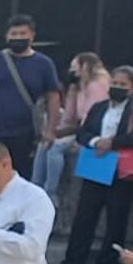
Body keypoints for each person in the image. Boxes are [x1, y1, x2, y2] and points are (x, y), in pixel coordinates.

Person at [59, 66, 133, 264]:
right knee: (84, 216)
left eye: (123, 85)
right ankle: (73, 262)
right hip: (96, 165)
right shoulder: (99, 107)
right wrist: (96, 142)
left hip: (121, 169)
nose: (117, 88)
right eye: (115, 83)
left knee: (116, 218)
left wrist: (112, 143)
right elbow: (83, 133)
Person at [0, 14, 61, 181]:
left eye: (22, 34)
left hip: (23, 134)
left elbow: (53, 97)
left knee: (17, 180)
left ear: (32, 36)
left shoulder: (44, 64)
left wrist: (50, 130)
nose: (18, 38)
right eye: (13, 34)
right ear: (6, 36)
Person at [35, 52, 110, 201]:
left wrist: (66, 132)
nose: (72, 71)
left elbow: (91, 118)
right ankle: (36, 186)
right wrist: (72, 92)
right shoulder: (80, 88)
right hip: (79, 129)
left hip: (92, 133)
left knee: (56, 148)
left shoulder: (97, 86)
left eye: (74, 67)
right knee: (45, 145)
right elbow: (70, 117)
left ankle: (51, 191)